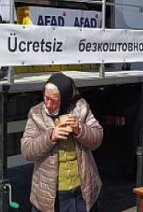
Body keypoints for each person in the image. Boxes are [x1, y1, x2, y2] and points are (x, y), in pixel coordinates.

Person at [21, 73, 102, 212]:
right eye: (46, 98)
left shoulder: (81, 108)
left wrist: (79, 129)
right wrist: (50, 136)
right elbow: (27, 151)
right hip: (51, 195)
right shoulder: (36, 114)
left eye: (54, 100)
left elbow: (97, 139)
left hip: (81, 191)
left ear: (64, 99)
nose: (48, 104)